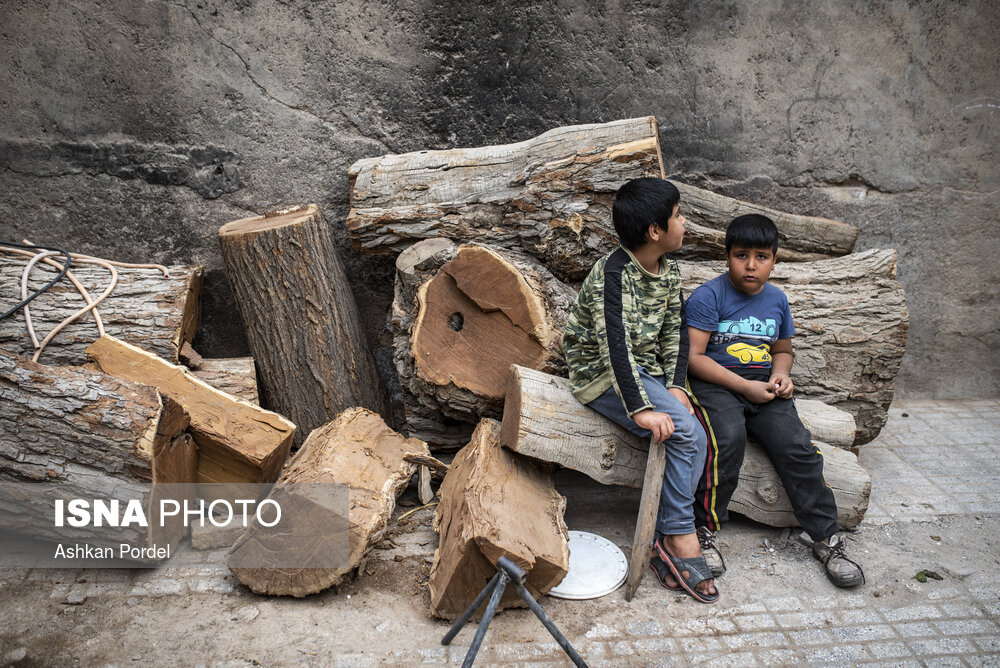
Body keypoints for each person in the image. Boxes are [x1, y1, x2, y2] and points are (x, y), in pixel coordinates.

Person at [685, 213, 864, 587]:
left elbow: (783, 350)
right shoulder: (708, 296)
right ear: (727, 256)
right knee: (726, 439)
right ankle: (703, 530)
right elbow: (695, 358)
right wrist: (743, 387)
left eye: (762, 256)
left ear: (775, 260)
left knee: (797, 447)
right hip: (716, 385)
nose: (751, 265)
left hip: (764, 387)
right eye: (741, 255)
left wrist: (781, 374)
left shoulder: (777, 300)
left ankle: (825, 537)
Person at [563, 177, 717, 603]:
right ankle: (676, 537)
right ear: (655, 231)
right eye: (679, 216)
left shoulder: (669, 271)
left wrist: (674, 385)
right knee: (686, 434)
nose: (685, 222)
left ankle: (675, 529)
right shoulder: (614, 273)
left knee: (697, 434)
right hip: (600, 374)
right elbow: (614, 347)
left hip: (644, 372)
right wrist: (641, 409)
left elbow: (675, 334)